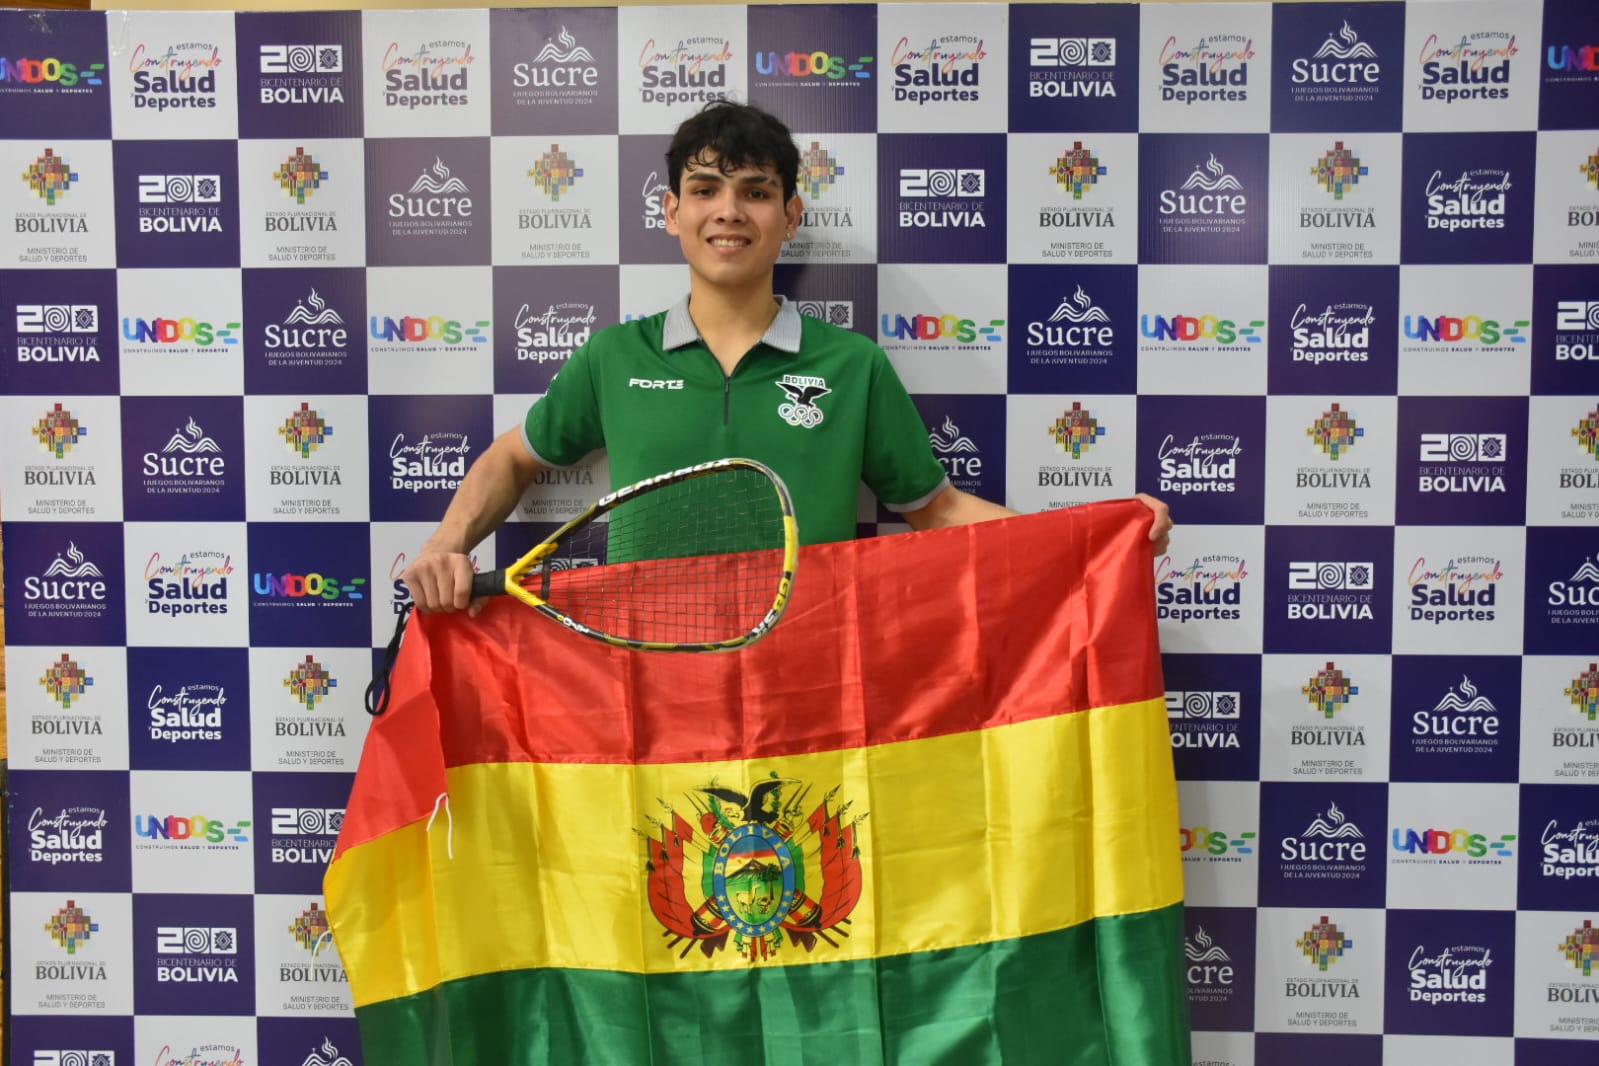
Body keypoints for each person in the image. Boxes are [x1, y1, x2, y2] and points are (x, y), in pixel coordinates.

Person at [402, 101, 1172, 614]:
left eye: (755, 191)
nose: (728, 210)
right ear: (672, 212)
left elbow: (935, 511)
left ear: (789, 214)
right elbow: (513, 457)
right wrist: (444, 547)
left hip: (811, 677)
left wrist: (1090, 537)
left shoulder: (852, 365)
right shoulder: (612, 356)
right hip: (643, 675)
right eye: (703, 189)